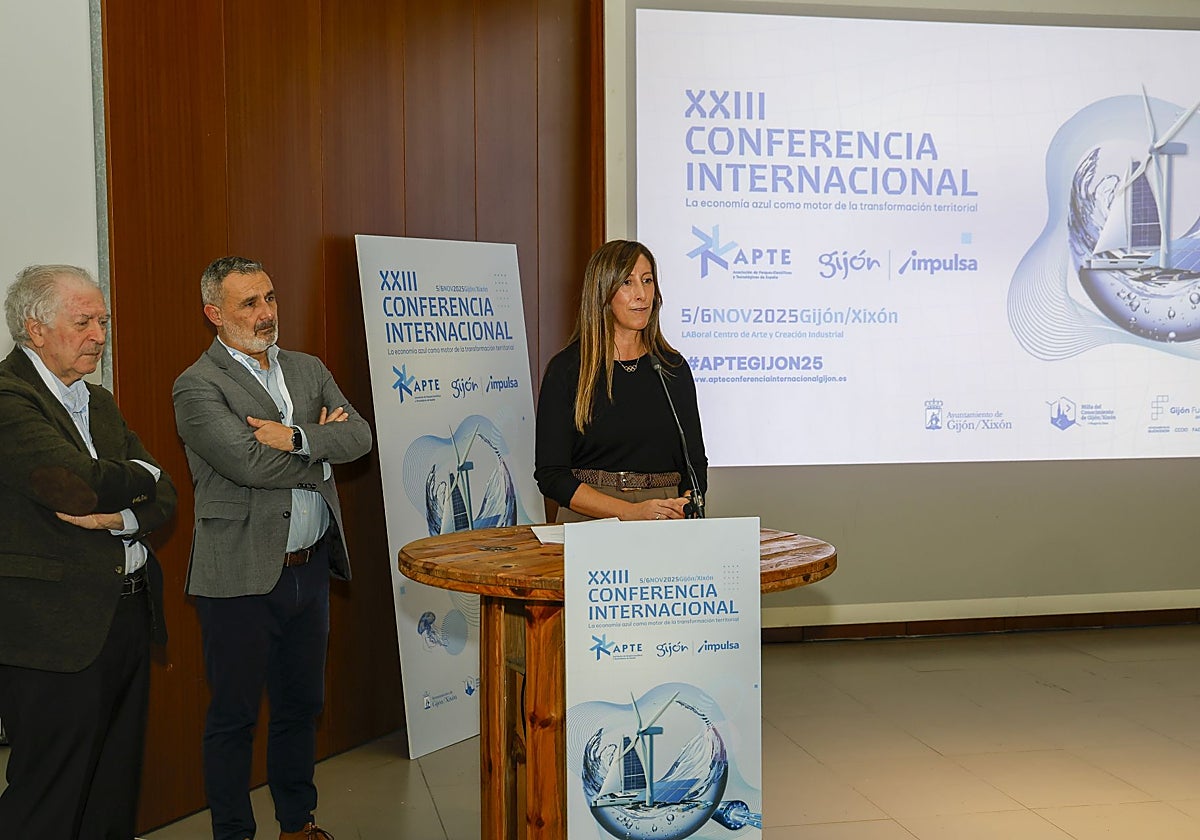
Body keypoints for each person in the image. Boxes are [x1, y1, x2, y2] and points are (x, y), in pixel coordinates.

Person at [172, 257, 372, 840]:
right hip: (237, 576)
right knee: (234, 718)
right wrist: (320, 452)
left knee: (300, 707)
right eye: (248, 304)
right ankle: (233, 832)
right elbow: (246, 463)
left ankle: (296, 823)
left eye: (270, 298)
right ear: (214, 313)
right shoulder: (197, 385)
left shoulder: (307, 369)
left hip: (308, 570)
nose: (266, 314)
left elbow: (358, 437)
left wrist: (298, 436)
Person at [0, 264, 176, 838]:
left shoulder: (96, 400)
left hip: (125, 615)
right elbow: (74, 484)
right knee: (49, 796)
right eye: (84, 322)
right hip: (53, 632)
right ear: (36, 328)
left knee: (112, 789)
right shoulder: (8, 399)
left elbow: (167, 493)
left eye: (103, 320)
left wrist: (124, 510)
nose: (100, 335)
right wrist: (139, 476)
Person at [534, 239, 707, 522]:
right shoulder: (567, 369)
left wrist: (685, 506)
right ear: (603, 291)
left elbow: (695, 463)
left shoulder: (671, 368)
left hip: (665, 518)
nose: (641, 294)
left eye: (647, 280)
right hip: (591, 518)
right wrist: (630, 512)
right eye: (627, 282)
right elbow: (551, 475)